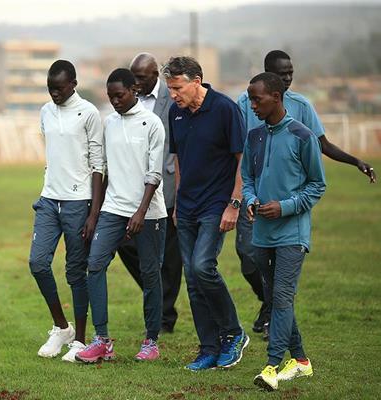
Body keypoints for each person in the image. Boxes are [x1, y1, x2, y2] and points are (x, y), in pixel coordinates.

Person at [236, 50, 376, 340]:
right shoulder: (245, 103)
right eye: (282, 73)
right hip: (254, 198)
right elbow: (239, 149)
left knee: (282, 272)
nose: (288, 78)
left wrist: (356, 161)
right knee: (248, 257)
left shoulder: (302, 106)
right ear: (267, 75)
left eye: (291, 72)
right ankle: (270, 304)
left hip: (287, 204)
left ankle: (278, 328)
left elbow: (321, 145)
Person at [75, 68, 168, 363]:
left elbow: (154, 174)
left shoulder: (152, 124)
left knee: (151, 274)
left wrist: (141, 212)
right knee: (95, 265)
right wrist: (94, 213)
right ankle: (102, 340)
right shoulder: (110, 123)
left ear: (134, 91)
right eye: (110, 96)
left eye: (120, 95)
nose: (114, 101)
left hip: (149, 213)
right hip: (113, 210)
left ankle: (151, 341)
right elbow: (100, 168)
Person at [242, 72, 326, 391]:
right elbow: (247, 178)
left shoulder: (302, 136)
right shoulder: (254, 137)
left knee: (281, 296)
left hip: (293, 234)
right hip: (261, 234)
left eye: (256, 99)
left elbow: (318, 185)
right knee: (277, 297)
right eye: (250, 99)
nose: (252, 105)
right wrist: (250, 199)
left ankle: (272, 366)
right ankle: (301, 361)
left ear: (276, 97)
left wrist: (285, 206)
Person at [164, 56, 249, 371]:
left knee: (202, 266)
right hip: (186, 208)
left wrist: (234, 203)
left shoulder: (225, 109)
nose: (173, 95)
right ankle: (209, 348)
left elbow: (243, 159)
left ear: (196, 81)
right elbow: (180, 160)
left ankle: (234, 332)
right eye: (170, 88)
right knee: (192, 278)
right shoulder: (176, 113)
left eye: (177, 87)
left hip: (217, 204)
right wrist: (179, 203)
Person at [29, 60, 103, 362]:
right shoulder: (46, 112)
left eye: (59, 88)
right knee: (37, 263)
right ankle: (62, 328)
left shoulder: (89, 113)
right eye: (50, 89)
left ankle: (81, 341)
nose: (54, 94)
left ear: (73, 83)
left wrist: (93, 213)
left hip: (78, 202)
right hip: (49, 199)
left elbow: (99, 165)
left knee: (75, 272)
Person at [115, 53, 182, 334]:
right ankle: (156, 295)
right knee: (124, 242)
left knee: (169, 254)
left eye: (141, 77)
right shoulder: (128, 99)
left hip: (166, 189)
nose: (136, 82)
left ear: (156, 74)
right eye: (134, 77)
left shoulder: (173, 98)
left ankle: (165, 315)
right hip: (131, 188)